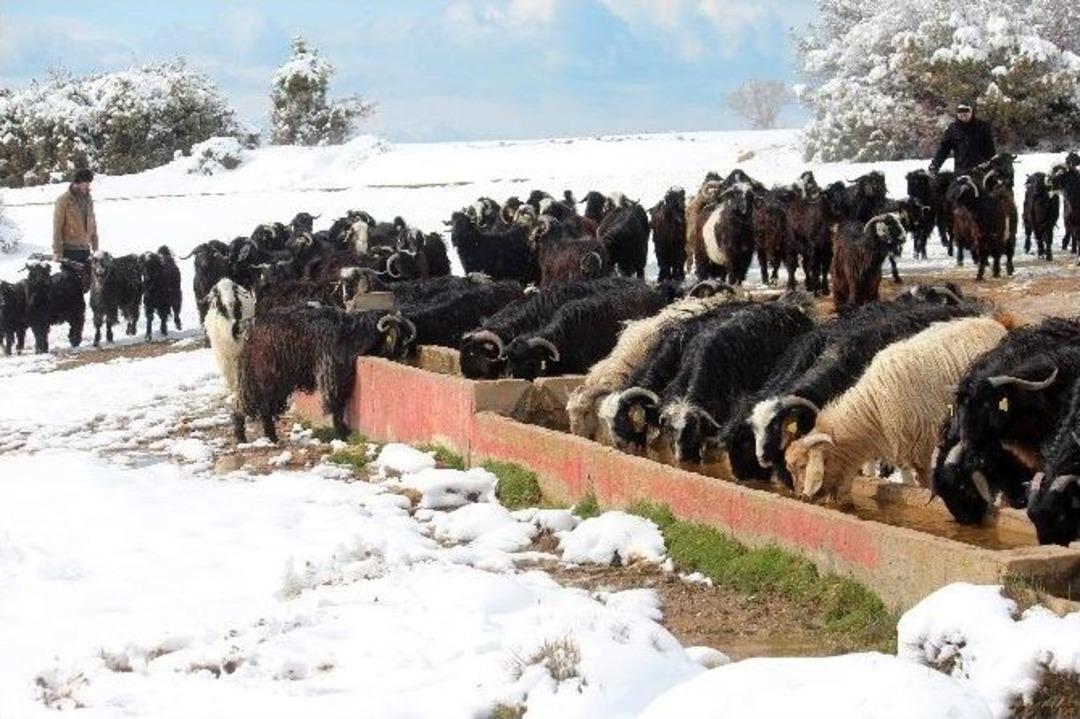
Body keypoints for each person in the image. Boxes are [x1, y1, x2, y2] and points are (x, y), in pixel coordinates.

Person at [928, 99, 996, 175]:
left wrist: (992, 166)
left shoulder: (983, 127)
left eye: (966, 112)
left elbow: (991, 151)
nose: (962, 114)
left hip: (981, 172)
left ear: (972, 112)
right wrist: (934, 165)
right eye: (960, 111)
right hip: (961, 172)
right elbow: (943, 149)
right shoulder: (952, 129)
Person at [52, 167, 99, 264]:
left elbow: (92, 223)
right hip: (70, 251)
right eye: (85, 183)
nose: (88, 186)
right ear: (76, 183)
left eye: (89, 183)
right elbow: (57, 228)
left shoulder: (88, 199)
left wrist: (95, 247)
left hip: (86, 250)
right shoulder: (63, 200)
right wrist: (57, 252)